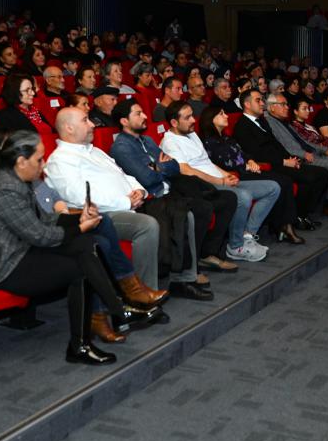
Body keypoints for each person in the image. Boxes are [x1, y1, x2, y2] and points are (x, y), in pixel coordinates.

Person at [0, 129, 161, 364]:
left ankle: (112, 315)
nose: (43, 165)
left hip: (19, 250)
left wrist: (78, 218)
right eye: (39, 160)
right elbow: (40, 234)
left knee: (86, 245)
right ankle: (108, 319)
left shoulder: (16, 179)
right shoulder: (5, 189)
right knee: (80, 263)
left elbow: (44, 220)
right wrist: (81, 226)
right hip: (0, 265)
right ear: (21, 161)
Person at [48, 106, 210, 301]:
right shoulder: (60, 160)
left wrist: (139, 190)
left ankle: (183, 279)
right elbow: (79, 196)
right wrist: (125, 201)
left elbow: (124, 175)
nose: (92, 124)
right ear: (69, 128)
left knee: (183, 212)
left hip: (132, 203)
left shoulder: (95, 151)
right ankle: (144, 292)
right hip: (103, 214)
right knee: (146, 225)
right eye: (85, 120)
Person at [110, 99, 237, 277]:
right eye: (138, 114)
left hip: (173, 188)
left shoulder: (147, 140)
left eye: (143, 112)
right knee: (202, 208)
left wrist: (157, 167)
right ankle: (190, 269)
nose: (145, 116)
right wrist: (161, 167)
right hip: (154, 198)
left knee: (228, 199)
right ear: (124, 121)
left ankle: (207, 253)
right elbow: (146, 178)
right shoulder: (121, 147)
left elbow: (175, 166)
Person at [161, 101, 279, 262]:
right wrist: (220, 181)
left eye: (192, 116)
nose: (194, 120)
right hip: (204, 185)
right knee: (243, 196)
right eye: (187, 118)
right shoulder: (170, 142)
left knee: (272, 188)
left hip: (219, 179)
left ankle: (247, 235)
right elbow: (186, 170)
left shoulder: (191, 134)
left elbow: (207, 162)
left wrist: (227, 175)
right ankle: (236, 246)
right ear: (174, 122)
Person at [198, 104, 304, 245]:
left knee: (285, 180)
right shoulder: (209, 142)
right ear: (211, 119)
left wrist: (250, 160)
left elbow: (243, 153)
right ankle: (283, 227)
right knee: (282, 182)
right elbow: (223, 163)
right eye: (221, 114)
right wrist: (245, 165)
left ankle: (284, 226)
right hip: (236, 175)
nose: (226, 116)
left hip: (247, 170)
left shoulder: (226, 137)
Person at [231, 88, 328, 231]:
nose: (262, 103)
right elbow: (256, 153)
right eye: (258, 100)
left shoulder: (262, 121)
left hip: (281, 161)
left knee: (322, 173)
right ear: (247, 104)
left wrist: (290, 157)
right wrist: (284, 162)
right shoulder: (242, 126)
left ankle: (301, 215)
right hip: (269, 165)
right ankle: (292, 220)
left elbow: (276, 143)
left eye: (262, 100)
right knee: (307, 176)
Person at [269, 96, 328, 218]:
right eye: (283, 104)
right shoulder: (270, 122)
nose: (287, 107)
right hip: (302, 158)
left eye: (287, 104)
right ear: (272, 107)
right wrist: (303, 154)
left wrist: (325, 150)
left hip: (314, 152)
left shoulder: (285, 122)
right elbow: (283, 146)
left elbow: (304, 141)